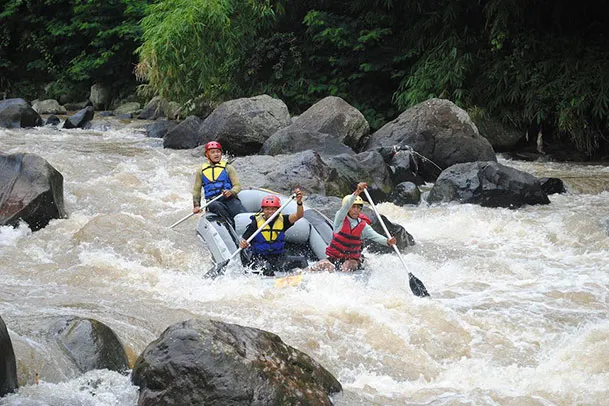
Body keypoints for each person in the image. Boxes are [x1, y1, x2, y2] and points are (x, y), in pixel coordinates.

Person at [311, 182, 397, 272]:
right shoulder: (339, 219)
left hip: (353, 260)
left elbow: (375, 236)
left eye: (358, 207)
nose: (356, 210)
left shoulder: (363, 226)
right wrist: (357, 192)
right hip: (335, 258)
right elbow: (345, 208)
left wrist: (387, 241)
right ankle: (302, 274)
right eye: (353, 207)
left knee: (346, 265)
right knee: (322, 264)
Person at [238, 189, 308, 276]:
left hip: (278, 257)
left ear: (278, 210)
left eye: (273, 209)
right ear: (263, 210)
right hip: (260, 257)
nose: (270, 211)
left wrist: (299, 202)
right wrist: (243, 244)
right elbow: (244, 240)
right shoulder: (256, 223)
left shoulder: (283, 220)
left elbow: (299, 215)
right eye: (267, 209)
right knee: (267, 268)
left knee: (302, 261)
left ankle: (305, 278)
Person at [192, 141, 246, 226]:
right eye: (212, 152)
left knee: (239, 210)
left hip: (229, 198)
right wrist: (196, 205)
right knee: (217, 207)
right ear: (207, 155)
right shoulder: (201, 171)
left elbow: (237, 186)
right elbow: (196, 190)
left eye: (218, 152)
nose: (216, 154)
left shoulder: (228, 168)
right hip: (212, 202)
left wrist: (231, 192)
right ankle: (230, 226)